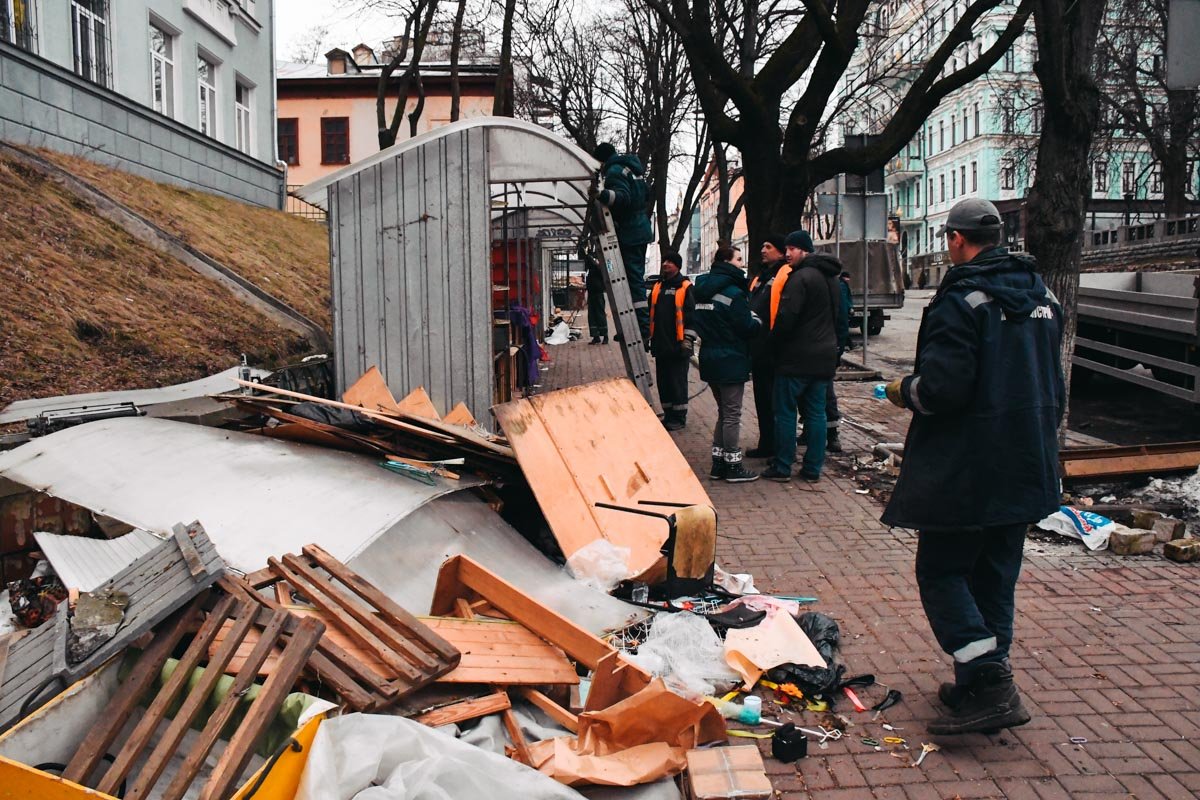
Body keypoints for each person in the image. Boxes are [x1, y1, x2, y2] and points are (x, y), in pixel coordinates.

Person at [881, 197, 1065, 736]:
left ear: (957, 240)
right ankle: (979, 681)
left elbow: (943, 390)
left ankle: (987, 680)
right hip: (1028, 459)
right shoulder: (1043, 295)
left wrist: (903, 390)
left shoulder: (961, 299)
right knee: (995, 576)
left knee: (941, 571)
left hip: (968, 465)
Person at [759, 230, 842, 483]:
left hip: (796, 358)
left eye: (792, 249)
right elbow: (840, 317)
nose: (787, 254)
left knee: (785, 412)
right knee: (816, 413)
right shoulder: (832, 279)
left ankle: (783, 465)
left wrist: (772, 344)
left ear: (804, 250)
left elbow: (786, 319)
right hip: (823, 357)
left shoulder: (800, 278)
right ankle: (812, 468)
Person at [693, 245, 761, 482]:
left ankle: (718, 463)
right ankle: (733, 465)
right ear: (727, 262)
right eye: (739, 259)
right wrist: (757, 321)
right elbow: (745, 326)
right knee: (732, 414)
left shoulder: (700, 289)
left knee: (724, 412)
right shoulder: (734, 292)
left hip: (709, 356)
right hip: (731, 357)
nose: (742, 263)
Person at [593, 143, 654, 340]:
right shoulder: (631, 168)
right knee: (632, 280)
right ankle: (635, 327)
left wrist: (601, 195)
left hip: (631, 233)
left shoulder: (614, 171)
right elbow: (644, 194)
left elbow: (623, 198)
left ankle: (641, 329)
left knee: (633, 281)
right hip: (639, 229)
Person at [746, 235, 788, 457]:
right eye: (762, 245)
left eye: (768, 246)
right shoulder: (760, 277)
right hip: (759, 349)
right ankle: (767, 443)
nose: (763, 249)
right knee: (762, 399)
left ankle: (777, 447)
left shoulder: (785, 275)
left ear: (781, 252)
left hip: (773, 349)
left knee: (775, 401)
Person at [648, 252, 696, 431]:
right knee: (664, 382)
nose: (665, 264)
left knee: (677, 382)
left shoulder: (685, 287)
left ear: (678, 266)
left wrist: (688, 340)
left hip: (678, 345)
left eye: (670, 262)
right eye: (664, 261)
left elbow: (692, 315)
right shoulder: (658, 286)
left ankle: (679, 417)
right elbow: (651, 314)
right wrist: (648, 337)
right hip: (661, 344)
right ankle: (668, 415)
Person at [585, 258, 609, 344]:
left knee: (600, 315)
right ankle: (596, 337)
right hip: (592, 295)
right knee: (592, 316)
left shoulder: (598, 269)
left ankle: (605, 336)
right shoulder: (590, 271)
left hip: (598, 295)